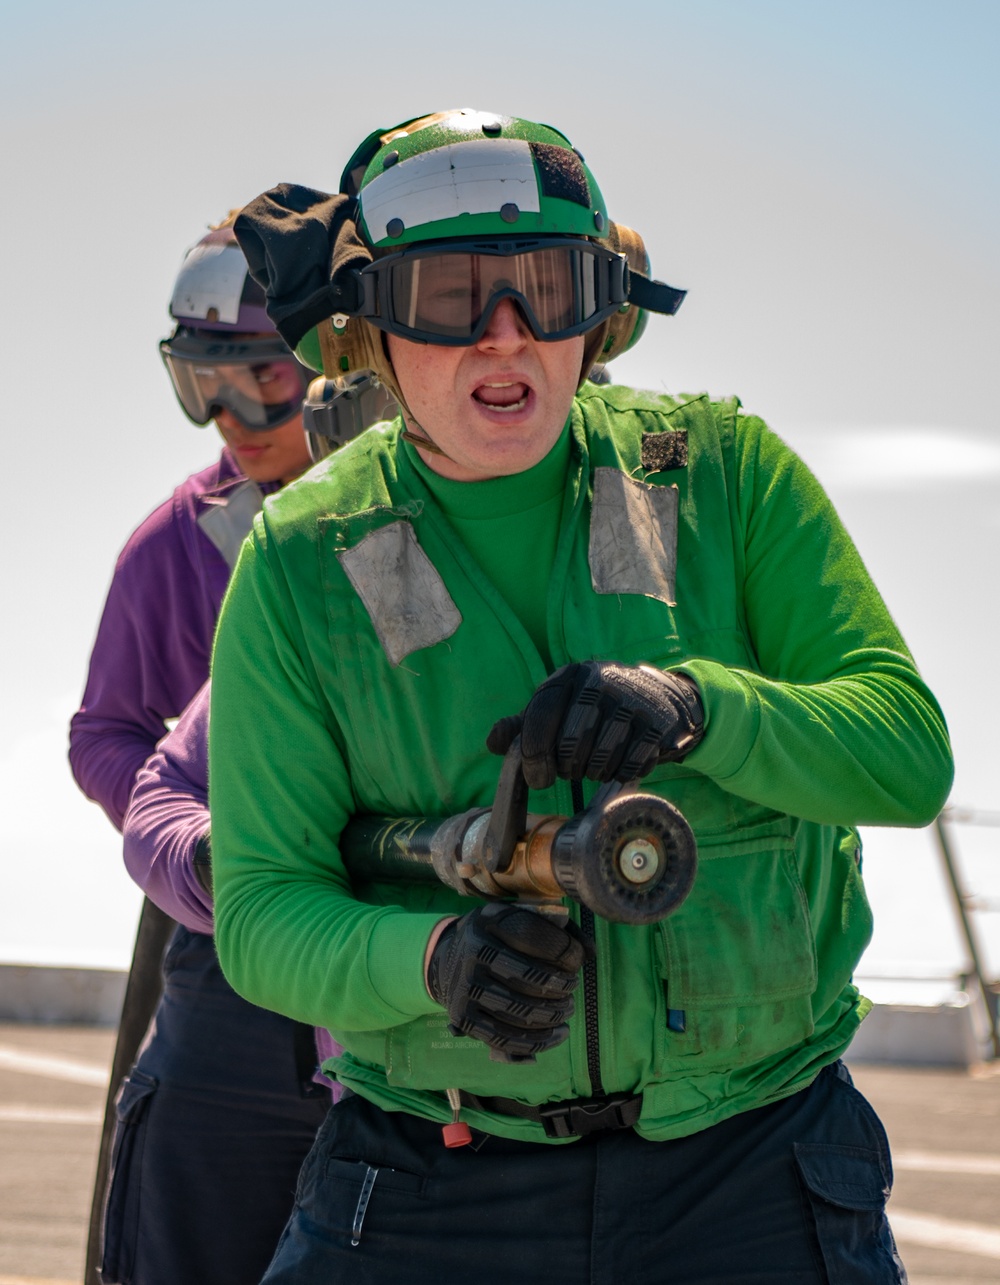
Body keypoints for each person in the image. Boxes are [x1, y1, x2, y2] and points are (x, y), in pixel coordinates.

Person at [209, 109, 953, 1283]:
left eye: (546, 289)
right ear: (370, 330)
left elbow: (907, 758)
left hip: (752, 1166)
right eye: (452, 296)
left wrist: (705, 709)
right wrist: (433, 959)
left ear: (600, 315)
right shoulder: (303, 560)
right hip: (430, 1176)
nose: (505, 338)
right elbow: (260, 910)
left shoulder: (725, 476)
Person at [67, 220, 346, 1285]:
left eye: (263, 377)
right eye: (203, 385)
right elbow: (104, 731)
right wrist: (181, 833)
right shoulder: (177, 538)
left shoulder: (437, 519)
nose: (232, 418)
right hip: (219, 942)